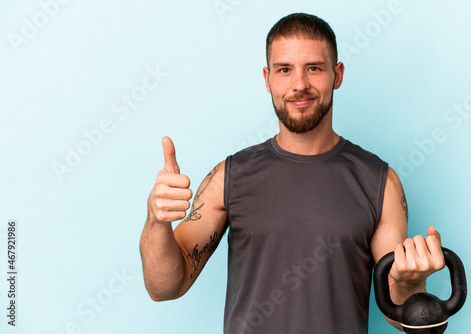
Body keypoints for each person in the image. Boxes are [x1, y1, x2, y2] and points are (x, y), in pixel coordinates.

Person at [140, 13, 445, 333]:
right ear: (267, 78)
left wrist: (411, 284)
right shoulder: (229, 177)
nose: (299, 85)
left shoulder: (380, 182)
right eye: (284, 70)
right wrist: (156, 222)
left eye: (314, 68)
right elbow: (164, 288)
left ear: (337, 74)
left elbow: (397, 314)